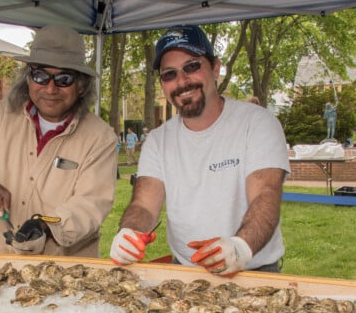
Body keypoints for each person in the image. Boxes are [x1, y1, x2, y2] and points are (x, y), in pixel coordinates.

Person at [110, 25, 289, 276]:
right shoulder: (158, 140)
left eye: (192, 66)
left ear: (215, 68)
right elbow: (144, 205)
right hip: (186, 271)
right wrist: (129, 232)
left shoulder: (257, 123)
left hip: (254, 271)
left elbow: (265, 195)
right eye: (169, 74)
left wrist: (240, 247)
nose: (182, 81)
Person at [0, 25, 117, 257]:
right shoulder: (1, 116)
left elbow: (91, 204)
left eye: (64, 79)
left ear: (81, 86)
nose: (50, 88)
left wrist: (44, 226)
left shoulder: (101, 137)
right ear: (28, 78)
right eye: (41, 76)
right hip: (0, 266)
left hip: (66, 272)